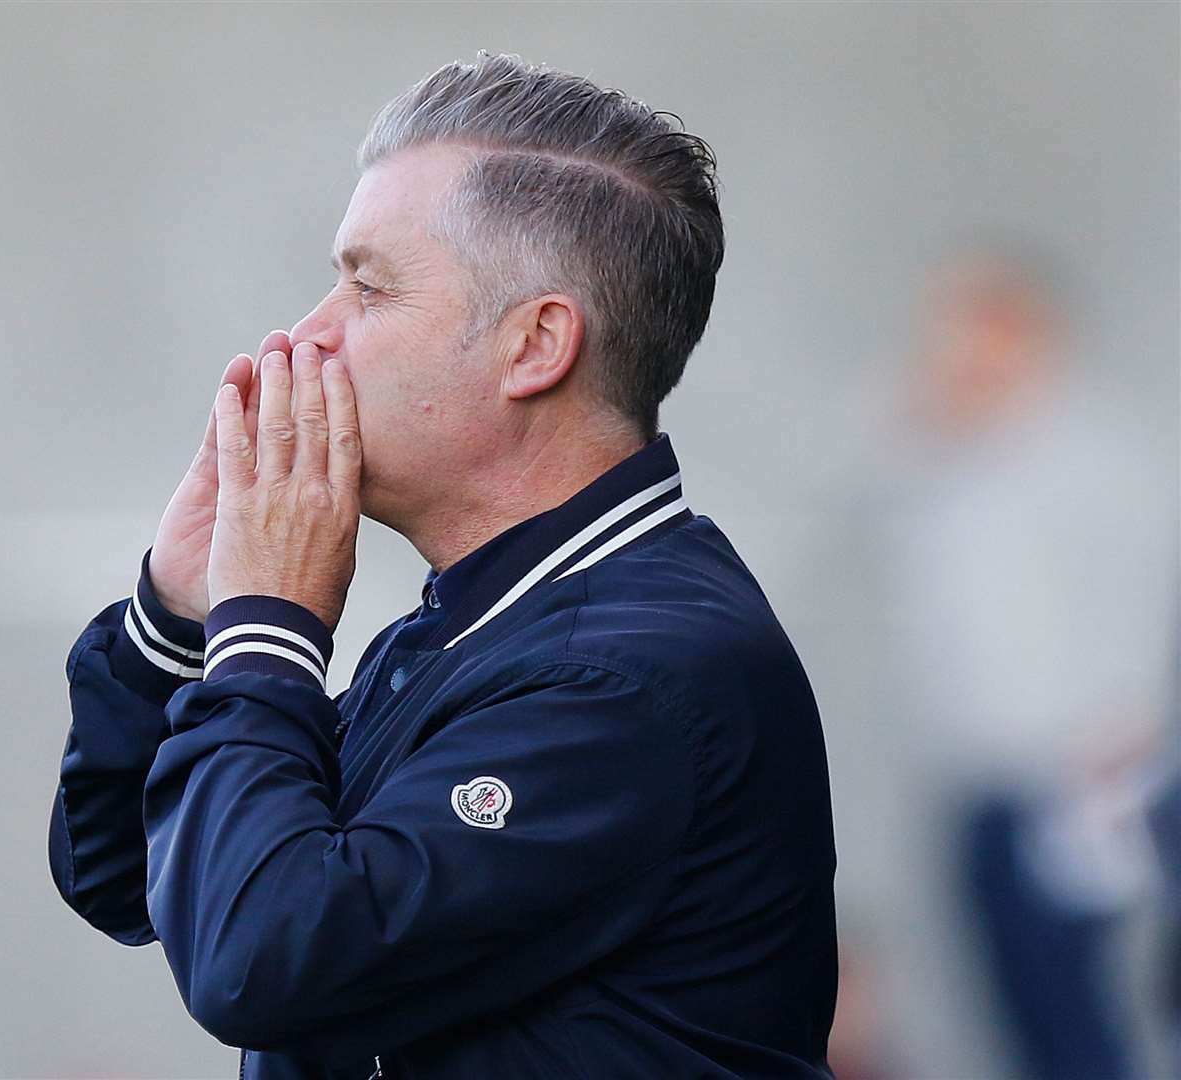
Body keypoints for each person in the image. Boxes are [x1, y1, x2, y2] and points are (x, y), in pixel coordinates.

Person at [48, 51, 838, 1080]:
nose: (310, 335)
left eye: (368, 289)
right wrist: (178, 617)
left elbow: (261, 959)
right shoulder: (485, 618)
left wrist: (268, 632)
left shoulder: (628, 676)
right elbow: (132, 877)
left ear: (534, 345)